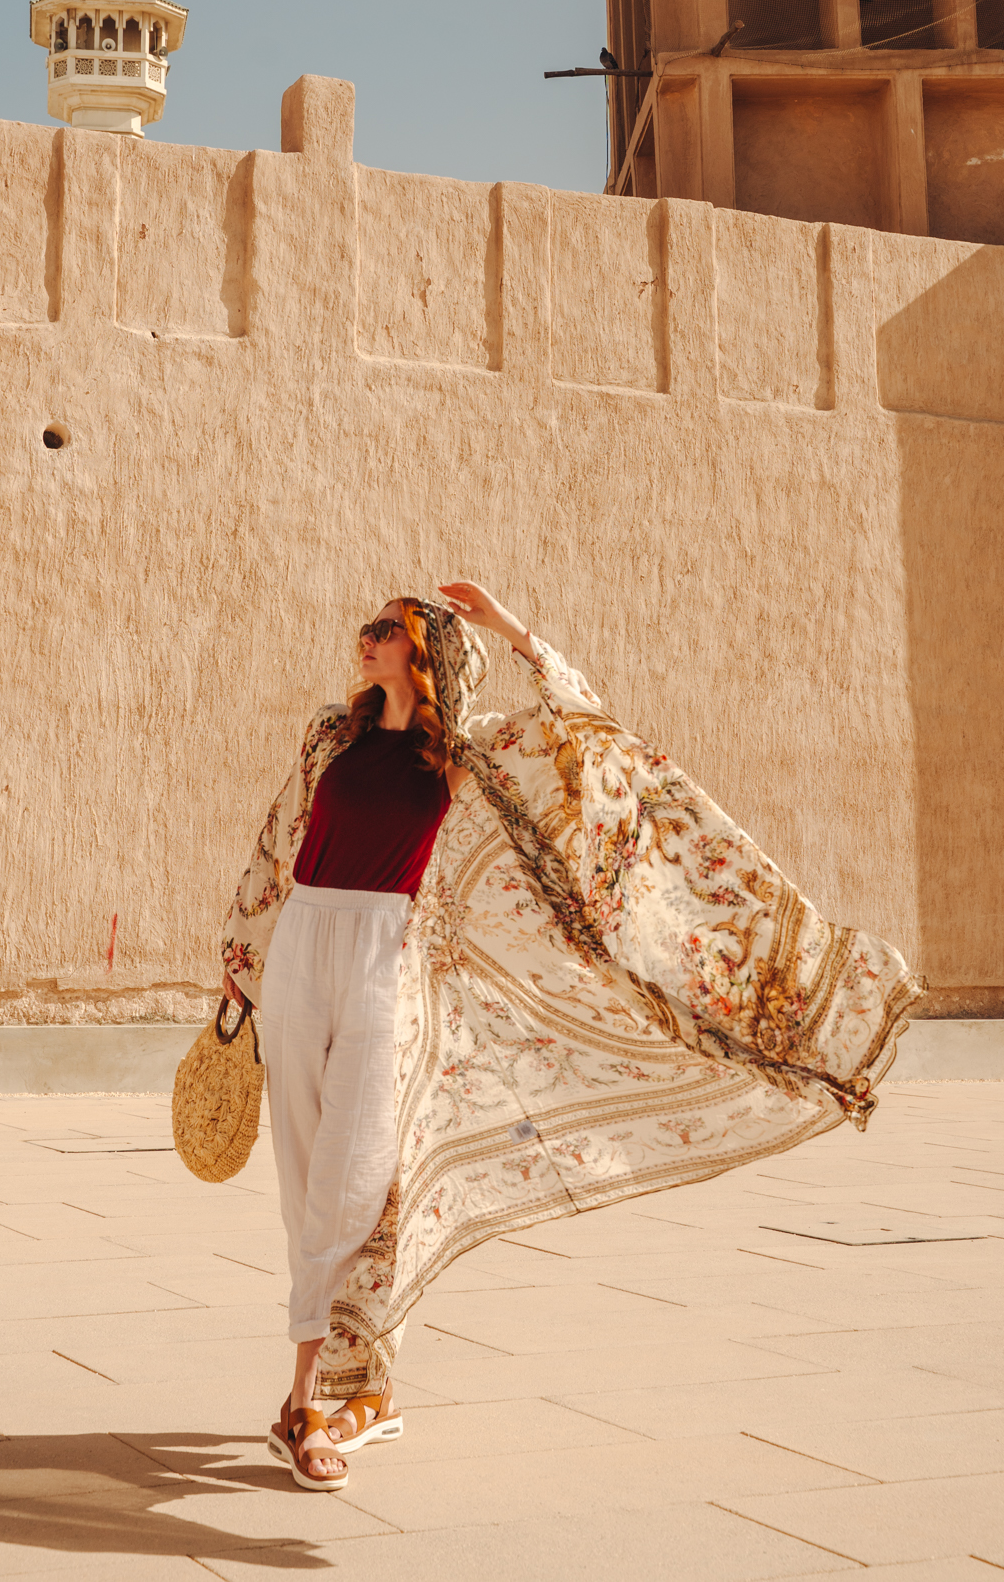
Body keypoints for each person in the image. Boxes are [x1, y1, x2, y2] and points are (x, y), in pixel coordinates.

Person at [220, 583, 918, 1491]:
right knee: (304, 1173)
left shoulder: (465, 755)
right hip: (301, 947)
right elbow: (280, 840)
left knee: (354, 1179)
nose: (369, 636)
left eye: (389, 628)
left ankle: (314, 1399)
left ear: (429, 655)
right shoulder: (330, 736)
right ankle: (340, 1390)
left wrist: (513, 631)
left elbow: (587, 733)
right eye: (369, 624)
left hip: (383, 960)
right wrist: (241, 953)